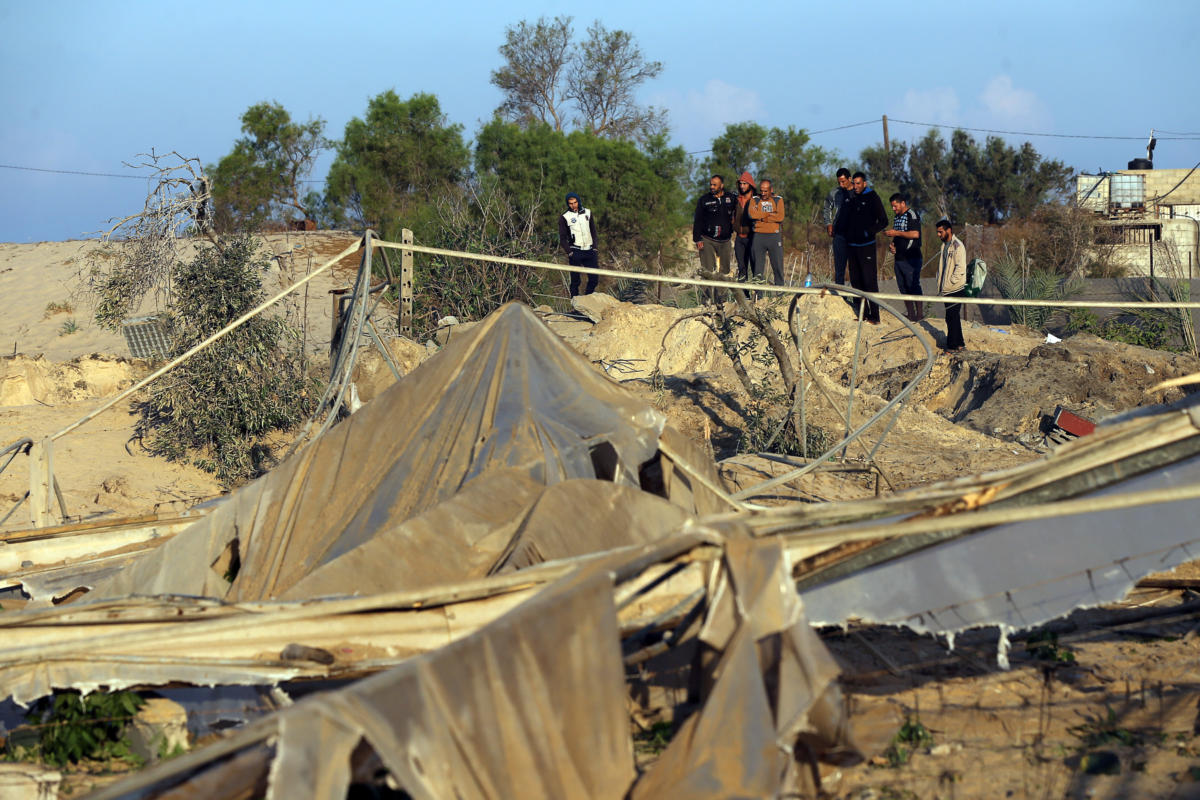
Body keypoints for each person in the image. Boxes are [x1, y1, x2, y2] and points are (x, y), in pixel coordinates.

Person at [834, 172, 888, 323]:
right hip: (852, 246)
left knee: (869, 281)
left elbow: (883, 220)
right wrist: (839, 230)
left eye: (859, 183)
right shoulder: (850, 197)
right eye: (855, 183)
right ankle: (862, 314)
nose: (856, 186)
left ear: (864, 183)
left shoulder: (872, 197)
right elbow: (845, 217)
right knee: (856, 281)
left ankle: (875, 316)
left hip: (866, 246)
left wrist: (868, 232)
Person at [692, 174, 738, 303]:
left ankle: (720, 300)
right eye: (711, 184)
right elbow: (698, 220)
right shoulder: (704, 200)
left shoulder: (731, 198)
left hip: (725, 241)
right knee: (708, 270)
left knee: (725, 271)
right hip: (707, 239)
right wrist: (698, 239)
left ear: (721, 186)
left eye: (715, 185)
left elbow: (739, 211)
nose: (712, 187)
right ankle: (706, 300)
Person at [885, 192, 924, 322]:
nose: (893, 209)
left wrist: (896, 232)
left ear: (903, 203)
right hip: (899, 258)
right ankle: (911, 314)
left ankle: (919, 315)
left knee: (913, 285)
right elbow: (898, 237)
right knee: (903, 287)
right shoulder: (896, 218)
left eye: (895, 206)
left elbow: (915, 234)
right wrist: (893, 245)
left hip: (912, 257)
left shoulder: (911, 215)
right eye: (892, 206)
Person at [935, 219, 968, 353]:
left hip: (955, 288)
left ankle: (952, 346)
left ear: (948, 230)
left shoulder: (958, 246)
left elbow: (960, 268)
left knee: (951, 316)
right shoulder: (944, 246)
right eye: (937, 232)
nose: (938, 234)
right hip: (946, 289)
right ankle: (959, 344)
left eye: (940, 232)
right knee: (952, 317)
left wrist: (950, 282)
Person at [558, 192, 598, 297]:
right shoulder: (565, 217)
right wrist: (570, 252)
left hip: (590, 250)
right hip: (575, 251)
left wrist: (595, 248)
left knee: (594, 279)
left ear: (578, 201)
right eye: (570, 203)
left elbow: (593, 231)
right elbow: (562, 238)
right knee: (575, 281)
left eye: (575, 202)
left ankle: (586, 301)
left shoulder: (588, 213)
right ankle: (575, 304)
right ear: (568, 204)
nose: (573, 205)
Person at [748, 178, 785, 286]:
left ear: (771, 189)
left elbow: (780, 217)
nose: (763, 193)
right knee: (758, 268)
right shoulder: (755, 199)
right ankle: (758, 296)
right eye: (761, 191)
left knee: (777, 266)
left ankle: (780, 293)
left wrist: (763, 218)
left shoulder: (778, 199)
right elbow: (752, 215)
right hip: (758, 236)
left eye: (766, 191)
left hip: (774, 235)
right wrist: (769, 214)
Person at [822, 168, 853, 284]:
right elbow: (826, 208)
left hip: (854, 236)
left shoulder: (858, 192)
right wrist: (829, 223)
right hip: (839, 235)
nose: (841, 184)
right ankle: (839, 297)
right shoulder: (834, 193)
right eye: (839, 182)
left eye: (843, 181)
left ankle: (857, 299)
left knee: (854, 269)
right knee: (839, 269)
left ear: (850, 179)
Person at [733, 171, 756, 284]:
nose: (742, 186)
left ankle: (758, 297)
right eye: (740, 183)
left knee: (755, 267)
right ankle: (743, 295)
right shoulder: (736, 200)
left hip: (752, 238)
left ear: (750, 184)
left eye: (745, 183)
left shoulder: (756, 200)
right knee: (742, 268)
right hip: (739, 239)